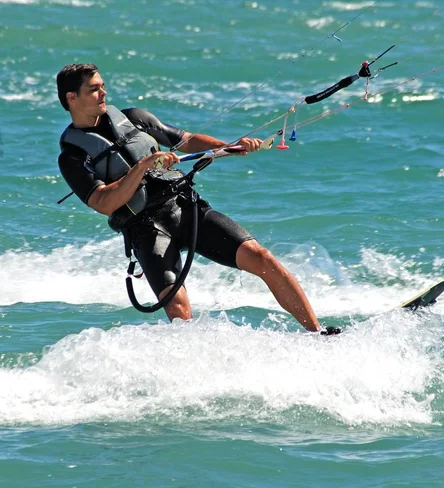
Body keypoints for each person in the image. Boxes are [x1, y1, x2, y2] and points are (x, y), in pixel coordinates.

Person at [56, 63, 341, 335]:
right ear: (72, 97)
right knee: (178, 308)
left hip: (183, 206)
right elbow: (103, 202)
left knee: (262, 258)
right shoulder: (72, 157)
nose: (104, 93)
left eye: (103, 86)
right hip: (146, 229)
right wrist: (143, 166)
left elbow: (186, 140)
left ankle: (317, 333)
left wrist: (230, 146)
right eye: (94, 89)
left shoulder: (134, 118)